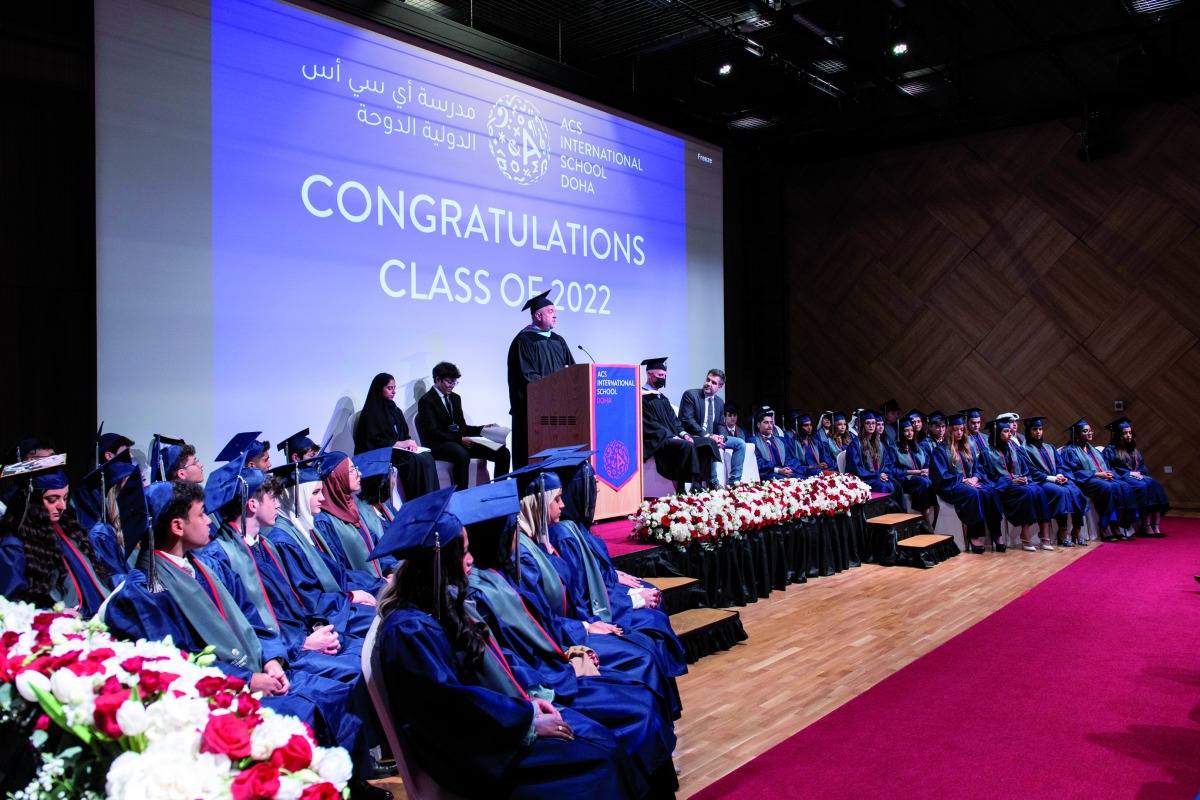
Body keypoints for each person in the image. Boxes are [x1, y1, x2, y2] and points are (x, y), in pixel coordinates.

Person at [368, 488, 649, 800]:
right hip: (472, 753)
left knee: (604, 736)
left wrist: (529, 701)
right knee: (600, 757)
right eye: (462, 553)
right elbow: (452, 705)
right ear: (441, 564)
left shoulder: (438, 605)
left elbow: (490, 665)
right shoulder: (408, 630)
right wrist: (525, 723)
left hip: (490, 728)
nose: (470, 559)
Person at [455, 483, 678, 791]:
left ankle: (651, 773)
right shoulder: (478, 595)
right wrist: (569, 656)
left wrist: (574, 643)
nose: (515, 537)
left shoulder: (495, 576)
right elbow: (509, 660)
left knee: (639, 678)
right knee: (635, 694)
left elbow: (542, 622)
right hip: (542, 683)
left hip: (553, 663)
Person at [0, 462, 113, 615]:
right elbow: (9, 607)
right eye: (52, 500)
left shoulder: (67, 530)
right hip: (57, 629)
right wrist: (52, 614)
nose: (62, 506)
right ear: (32, 501)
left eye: (65, 498)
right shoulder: (14, 546)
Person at [506, 290, 576, 469]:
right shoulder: (524, 341)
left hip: (560, 411)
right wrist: (554, 392)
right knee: (535, 461)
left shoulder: (558, 340)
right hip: (534, 413)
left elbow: (572, 371)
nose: (556, 316)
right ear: (538, 315)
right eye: (551, 311)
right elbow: (527, 377)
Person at [416, 361, 511, 490]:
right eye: (449, 382)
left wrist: (483, 429)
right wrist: (459, 439)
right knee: (461, 454)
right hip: (439, 444)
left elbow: (462, 427)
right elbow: (433, 432)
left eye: (455, 382)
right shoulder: (426, 401)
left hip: (458, 441)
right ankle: (462, 496)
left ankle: (498, 491)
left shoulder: (455, 398)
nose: (453, 386)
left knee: (502, 452)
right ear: (438, 379)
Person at [354, 372, 439, 500]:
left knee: (427, 458)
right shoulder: (371, 412)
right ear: (379, 389)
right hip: (381, 453)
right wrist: (400, 444)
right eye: (389, 388)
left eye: (394, 388)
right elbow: (373, 442)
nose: (393, 392)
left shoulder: (394, 409)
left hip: (397, 451)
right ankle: (415, 502)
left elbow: (404, 434)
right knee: (412, 461)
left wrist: (409, 443)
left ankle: (433, 500)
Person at [929, 414, 1003, 554]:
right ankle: (974, 535)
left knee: (991, 491)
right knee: (974, 493)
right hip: (950, 487)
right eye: (955, 429)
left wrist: (975, 478)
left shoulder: (967, 447)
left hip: (969, 483)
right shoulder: (940, 450)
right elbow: (941, 476)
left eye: (961, 429)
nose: (959, 433)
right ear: (949, 431)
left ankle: (996, 532)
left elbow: (978, 468)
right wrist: (962, 480)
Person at [641, 357, 716, 491]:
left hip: (674, 436)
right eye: (660, 375)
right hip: (659, 439)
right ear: (649, 374)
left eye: (664, 375)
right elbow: (650, 424)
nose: (663, 378)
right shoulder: (641, 397)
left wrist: (684, 434)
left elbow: (675, 421)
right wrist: (672, 436)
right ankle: (680, 489)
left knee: (706, 443)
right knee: (685, 446)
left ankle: (697, 484)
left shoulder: (662, 398)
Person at [979, 420, 1054, 551]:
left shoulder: (1014, 449)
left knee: (1038, 490)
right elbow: (989, 477)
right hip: (1002, 488)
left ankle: (1044, 533)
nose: (1010, 434)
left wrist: (1024, 478)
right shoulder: (987, 453)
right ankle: (1025, 535)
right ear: (997, 433)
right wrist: (1010, 481)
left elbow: (1024, 468)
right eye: (1005, 431)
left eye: (1009, 431)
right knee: (1027, 493)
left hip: (1018, 484)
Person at [1059, 419, 1138, 542]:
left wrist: (1108, 473)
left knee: (1123, 485)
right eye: (1086, 431)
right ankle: (1104, 527)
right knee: (1107, 487)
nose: (1090, 433)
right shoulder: (1071, 451)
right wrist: (1098, 474)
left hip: (1099, 478)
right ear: (1077, 434)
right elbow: (1074, 472)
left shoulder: (1092, 449)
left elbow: (1105, 465)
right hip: (1084, 481)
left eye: (1090, 430)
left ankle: (1116, 525)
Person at [1020, 416, 1088, 547]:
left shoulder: (1049, 447)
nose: (1038, 432)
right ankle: (1062, 531)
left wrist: (1061, 475)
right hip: (1040, 481)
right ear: (1028, 431)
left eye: (1040, 429)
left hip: (1056, 478)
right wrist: (1053, 479)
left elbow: (1060, 464)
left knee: (1075, 489)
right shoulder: (1023, 450)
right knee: (1060, 492)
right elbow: (1030, 471)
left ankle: (1077, 529)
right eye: (1034, 429)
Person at [677, 368, 745, 487]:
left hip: (712, 437)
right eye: (708, 380)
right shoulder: (691, 395)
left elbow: (720, 424)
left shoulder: (719, 401)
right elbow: (687, 420)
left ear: (719, 387)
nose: (708, 383)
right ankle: (713, 482)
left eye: (713, 382)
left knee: (740, 444)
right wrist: (708, 436)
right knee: (710, 443)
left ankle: (735, 482)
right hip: (694, 436)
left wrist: (722, 438)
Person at [1103, 417, 1169, 537]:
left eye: (1130, 433)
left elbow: (1142, 466)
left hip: (1137, 477)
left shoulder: (1132, 449)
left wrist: (1140, 473)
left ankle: (1156, 525)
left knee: (1155, 484)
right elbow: (1109, 469)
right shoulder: (1110, 450)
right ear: (1118, 435)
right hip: (1122, 478)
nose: (1128, 436)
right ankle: (1145, 525)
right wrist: (1129, 473)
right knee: (1142, 487)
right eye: (1125, 433)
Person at [846, 412, 902, 505]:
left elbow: (887, 463)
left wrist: (884, 474)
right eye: (867, 423)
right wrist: (876, 475)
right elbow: (855, 467)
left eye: (873, 423)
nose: (871, 426)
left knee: (897, 485)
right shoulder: (855, 444)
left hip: (877, 477)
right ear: (862, 425)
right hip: (863, 479)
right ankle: (884, 517)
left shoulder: (880, 444)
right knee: (882, 486)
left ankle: (898, 515)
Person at [890, 417, 937, 529]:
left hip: (921, 476)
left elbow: (927, 461)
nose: (910, 433)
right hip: (905, 479)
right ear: (901, 432)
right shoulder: (894, 449)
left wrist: (926, 470)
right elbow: (893, 470)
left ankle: (935, 520)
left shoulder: (917, 447)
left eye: (911, 430)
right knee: (923, 483)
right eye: (906, 430)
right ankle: (926, 521)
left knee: (930, 481)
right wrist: (917, 472)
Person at [749, 407, 803, 480]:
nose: (770, 425)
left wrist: (787, 469)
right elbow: (758, 462)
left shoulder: (781, 441)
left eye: (771, 422)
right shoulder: (753, 441)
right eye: (766, 422)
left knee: (803, 480)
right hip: (768, 474)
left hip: (783, 472)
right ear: (758, 424)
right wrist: (778, 470)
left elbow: (788, 458)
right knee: (785, 482)